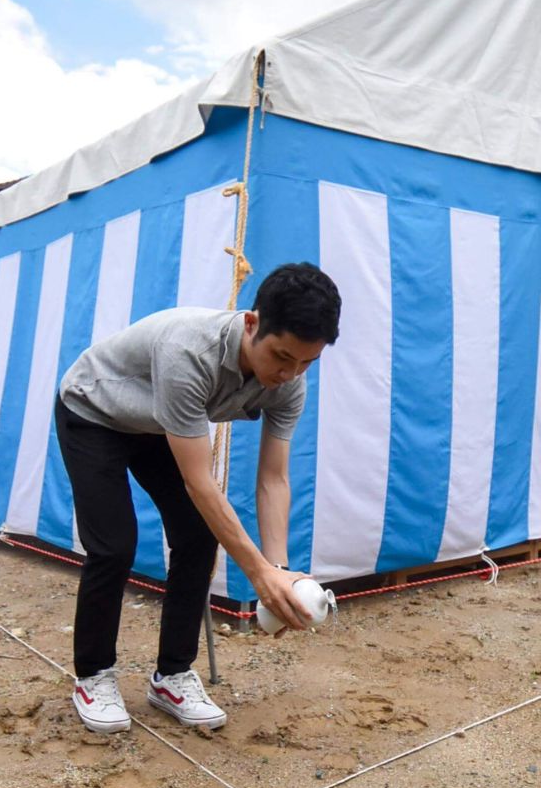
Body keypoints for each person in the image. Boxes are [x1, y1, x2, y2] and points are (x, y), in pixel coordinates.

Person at [56, 261, 341, 735]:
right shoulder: (189, 351)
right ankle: (93, 677)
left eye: (306, 362)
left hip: (154, 423)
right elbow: (199, 481)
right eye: (281, 356)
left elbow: (273, 478)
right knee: (114, 544)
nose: (289, 373)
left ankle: (171, 676)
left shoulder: (291, 382)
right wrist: (258, 574)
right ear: (252, 324)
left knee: (196, 536)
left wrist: (280, 569)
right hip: (93, 412)